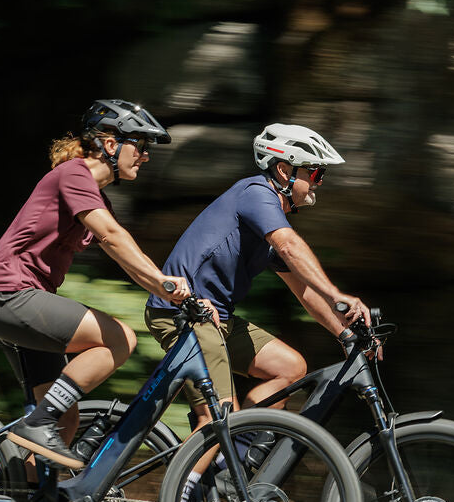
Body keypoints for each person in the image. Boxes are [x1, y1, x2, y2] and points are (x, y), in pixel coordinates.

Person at [0, 99, 190, 473]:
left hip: (20, 300)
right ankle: (37, 424)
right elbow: (110, 236)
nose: (145, 156)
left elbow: (123, 258)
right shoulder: (74, 174)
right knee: (120, 338)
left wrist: (166, 292)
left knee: (65, 421)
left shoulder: (93, 193)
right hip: (8, 294)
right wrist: (162, 280)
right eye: (140, 145)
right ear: (110, 144)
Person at [144, 122, 374, 442]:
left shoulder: (268, 221)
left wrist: (346, 334)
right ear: (283, 170)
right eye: (316, 173)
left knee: (290, 368)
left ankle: (232, 464)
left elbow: (305, 291)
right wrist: (337, 294)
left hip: (217, 318)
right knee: (218, 417)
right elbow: (290, 247)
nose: (319, 182)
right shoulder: (256, 194)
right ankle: (184, 489)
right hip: (183, 313)